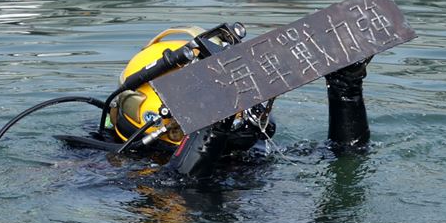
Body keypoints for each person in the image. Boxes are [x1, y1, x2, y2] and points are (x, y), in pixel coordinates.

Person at [100, 27, 372, 179]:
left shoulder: (245, 150)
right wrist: (212, 127)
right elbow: (188, 190)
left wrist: (346, 89)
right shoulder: (111, 165)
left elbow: (345, 158)